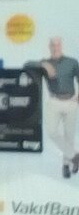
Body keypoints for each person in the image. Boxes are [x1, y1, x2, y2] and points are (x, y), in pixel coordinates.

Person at [26, 37, 79, 178]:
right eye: (53, 45)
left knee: (69, 135)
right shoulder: (45, 63)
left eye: (57, 45)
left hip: (70, 102)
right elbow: (27, 65)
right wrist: (43, 64)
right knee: (52, 131)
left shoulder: (72, 62)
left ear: (61, 46)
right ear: (49, 47)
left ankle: (66, 165)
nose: (55, 47)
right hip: (54, 101)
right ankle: (74, 156)